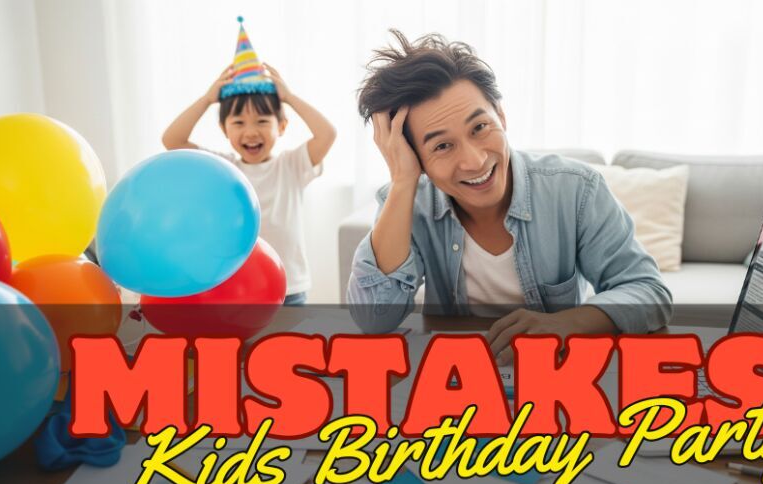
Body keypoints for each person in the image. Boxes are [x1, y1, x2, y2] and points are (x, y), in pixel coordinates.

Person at [348, 30, 672, 362]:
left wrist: (566, 324)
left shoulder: (576, 189)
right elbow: (374, 319)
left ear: (500, 116)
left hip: (558, 376)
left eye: (480, 128)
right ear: (416, 157)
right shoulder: (408, 202)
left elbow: (648, 291)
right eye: (442, 146)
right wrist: (403, 181)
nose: (474, 161)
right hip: (457, 382)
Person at [162, 19, 336, 305]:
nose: (251, 131)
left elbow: (327, 134)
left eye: (262, 121)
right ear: (224, 129)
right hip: (237, 287)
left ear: (281, 127)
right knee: (244, 349)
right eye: (239, 122)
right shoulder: (223, 168)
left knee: (288, 350)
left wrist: (289, 98)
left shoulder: (291, 166)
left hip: (289, 287)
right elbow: (172, 140)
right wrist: (207, 99)